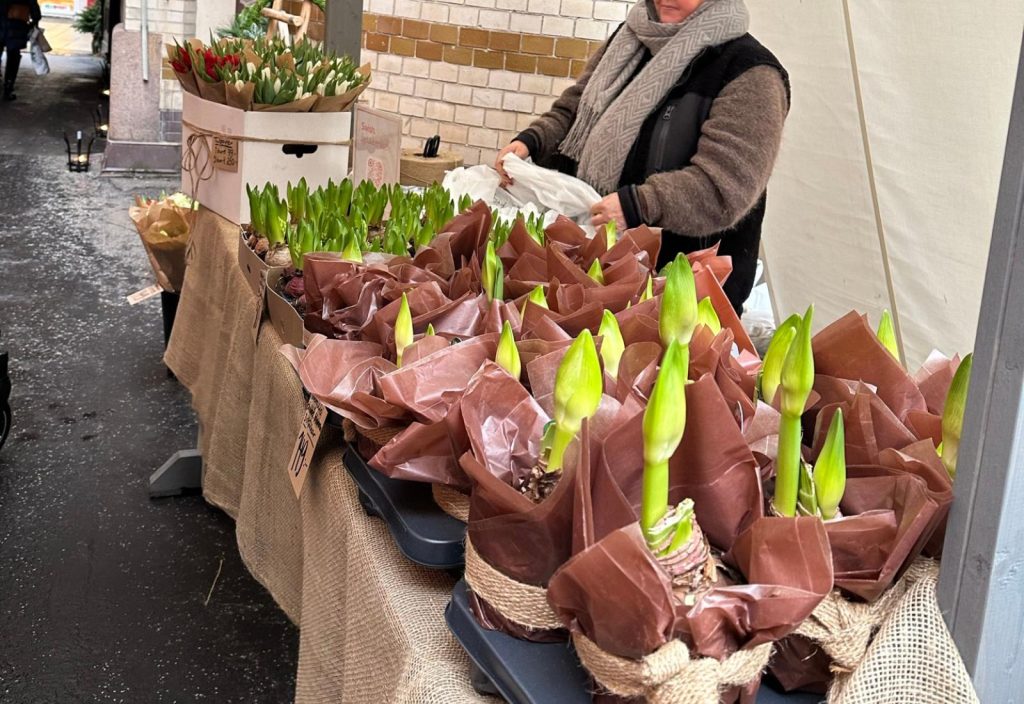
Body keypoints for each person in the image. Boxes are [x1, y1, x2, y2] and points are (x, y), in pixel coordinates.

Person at [496, 0, 789, 313]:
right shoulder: (630, 37)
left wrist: (639, 205)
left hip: (680, 295)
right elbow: (576, 108)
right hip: (595, 269)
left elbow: (724, 189)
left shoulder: (751, 72)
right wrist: (532, 140)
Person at [0, 0, 42, 101]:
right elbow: (36, 13)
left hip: (1, 25)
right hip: (17, 27)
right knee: (13, 57)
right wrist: (33, 24)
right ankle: (8, 88)